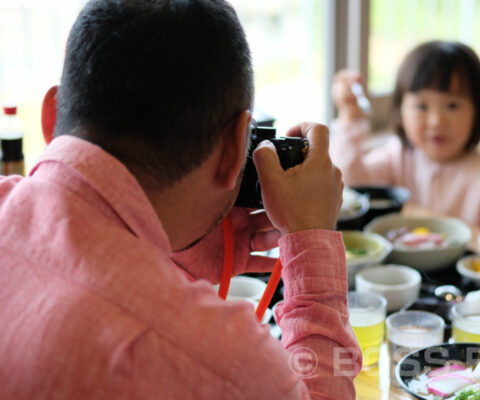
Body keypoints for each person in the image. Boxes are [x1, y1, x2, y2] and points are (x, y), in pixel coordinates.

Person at [0, 1, 361, 398]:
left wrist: (167, 260)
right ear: (234, 151)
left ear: (52, 116)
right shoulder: (224, 360)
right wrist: (313, 248)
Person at [330, 41, 480, 255]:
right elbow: (350, 184)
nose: (437, 121)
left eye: (452, 106)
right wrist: (350, 116)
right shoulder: (397, 156)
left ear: (479, 111)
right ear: (400, 111)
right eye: (422, 106)